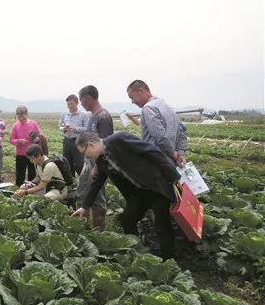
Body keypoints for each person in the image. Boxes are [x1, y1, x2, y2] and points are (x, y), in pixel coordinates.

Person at [72, 131, 181, 259]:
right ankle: (137, 252)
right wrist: (84, 207)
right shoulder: (101, 160)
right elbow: (97, 183)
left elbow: (152, 151)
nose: (85, 157)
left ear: (90, 145)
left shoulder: (119, 139)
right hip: (139, 192)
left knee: (162, 225)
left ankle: (169, 259)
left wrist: (173, 176)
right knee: (127, 219)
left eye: (84, 153)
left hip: (155, 185)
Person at [76, 85, 114, 230]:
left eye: (82, 100)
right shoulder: (92, 116)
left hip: (98, 165)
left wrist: (97, 167)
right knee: (81, 194)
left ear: (89, 98)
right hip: (88, 163)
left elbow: (104, 146)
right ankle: (82, 229)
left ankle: (99, 234)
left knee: (97, 200)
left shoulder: (103, 117)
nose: (81, 103)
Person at [126, 80, 187, 167]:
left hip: (157, 163)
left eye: (132, 97)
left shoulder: (148, 108)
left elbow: (161, 137)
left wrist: (173, 154)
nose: (132, 101)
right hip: (171, 164)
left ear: (141, 91)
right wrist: (180, 154)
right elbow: (182, 130)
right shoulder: (166, 105)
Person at [10, 105, 42, 187]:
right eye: (19, 116)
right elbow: (11, 140)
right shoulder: (15, 125)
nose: (21, 119)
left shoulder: (33, 124)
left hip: (32, 155)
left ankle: (32, 191)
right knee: (20, 175)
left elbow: (39, 136)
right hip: (21, 154)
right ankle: (18, 191)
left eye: (23, 116)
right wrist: (19, 141)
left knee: (32, 174)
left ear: (27, 114)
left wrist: (36, 139)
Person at [59, 94, 89, 176]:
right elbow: (60, 126)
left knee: (80, 164)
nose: (69, 106)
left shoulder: (83, 114)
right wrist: (64, 129)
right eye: (68, 104)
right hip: (67, 141)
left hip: (78, 141)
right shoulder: (64, 114)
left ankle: (83, 182)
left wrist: (75, 129)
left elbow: (87, 128)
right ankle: (71, 183)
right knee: (67, 163)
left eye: (71, 103)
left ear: (77, 103)